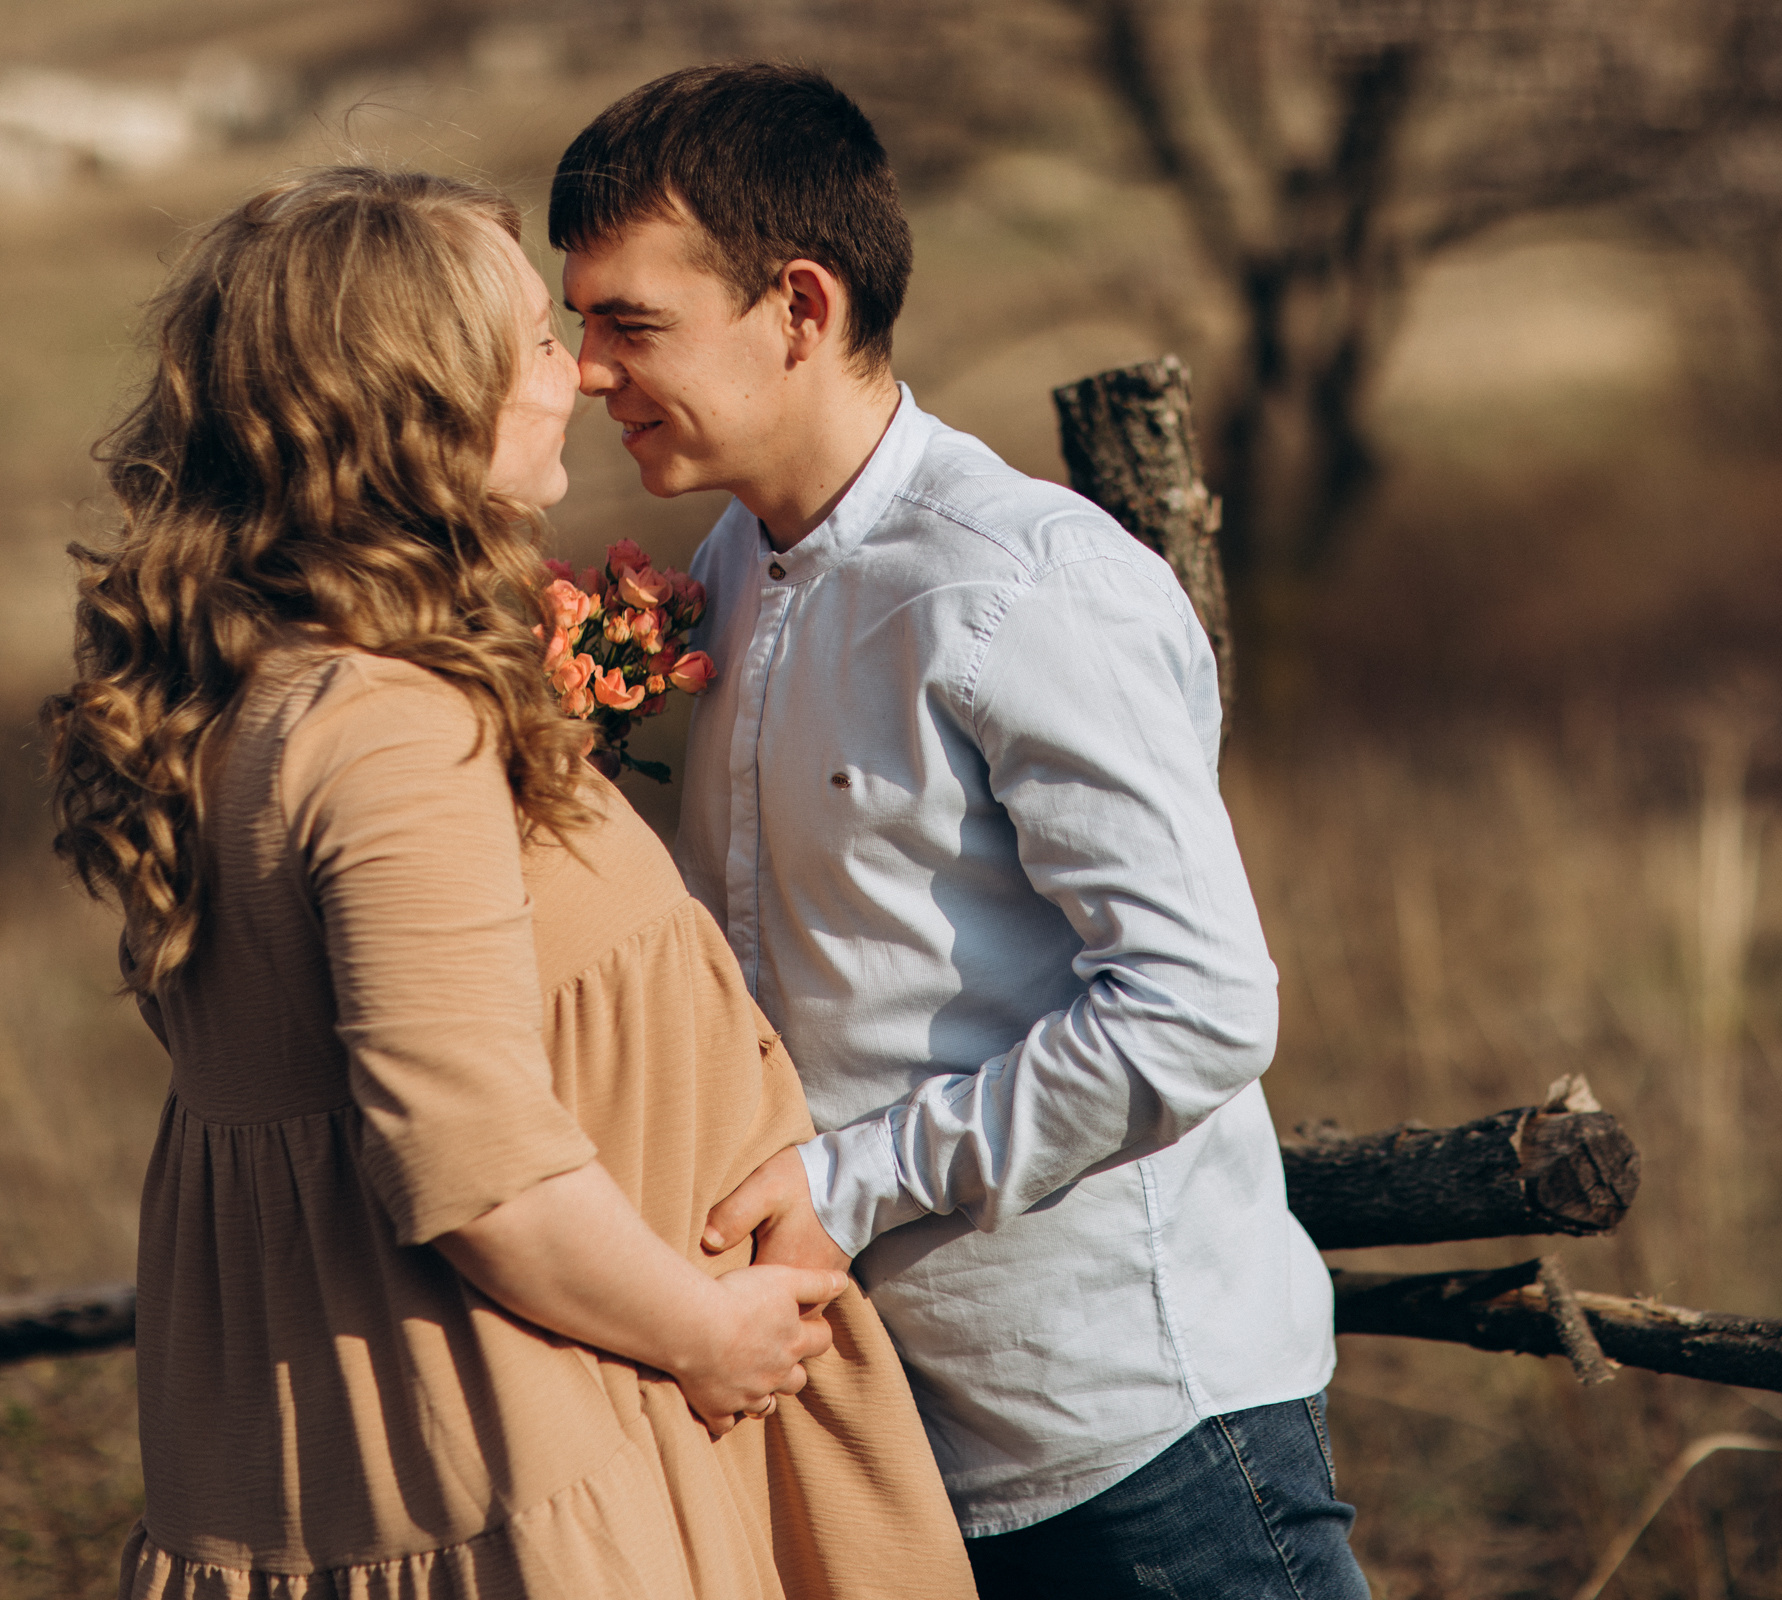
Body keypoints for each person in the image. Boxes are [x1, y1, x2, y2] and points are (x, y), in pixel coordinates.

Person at [43, 167, 974, 1600]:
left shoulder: (252, 692)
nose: (579, 373)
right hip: (501, 1449)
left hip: (393, 1430)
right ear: (416, 403)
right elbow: (475, 1163)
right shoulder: (388, 728)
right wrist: (704, 1332)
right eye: (537, 339)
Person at [552, 64, 1371, 1598]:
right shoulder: (719, 576)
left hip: (1131, 1436)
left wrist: (845, 1186)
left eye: (630, 323)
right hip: (880, 1449)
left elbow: (1200, 1009)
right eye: (581, 322)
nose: (590, 369)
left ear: (800, 307)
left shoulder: (1024, 588)